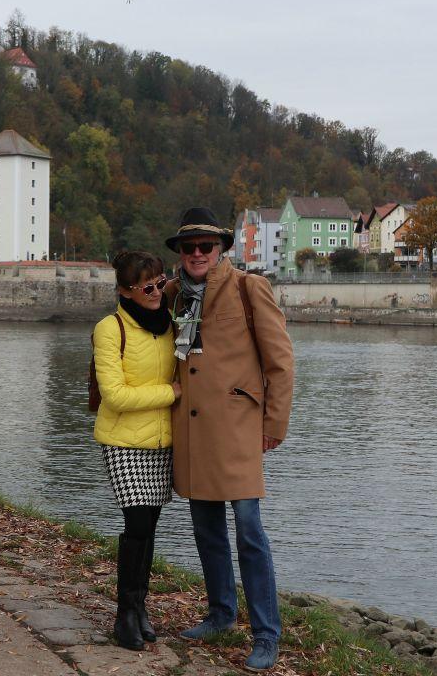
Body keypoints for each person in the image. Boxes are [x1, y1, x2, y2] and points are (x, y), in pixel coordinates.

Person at [164, 207, 294, 672]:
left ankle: (266, 633)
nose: (197, 254)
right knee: (206, 530)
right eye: (189, 247)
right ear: (180, 252)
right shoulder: (172, 294)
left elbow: (280, 360)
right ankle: (220, 614)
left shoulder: (247, 287)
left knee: (249, 531)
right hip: (192, 429)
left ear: (220, 249)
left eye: (206, 246)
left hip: (239, 428)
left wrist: (274, 424)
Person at [93, 250, 182, 651]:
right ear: (125, 291)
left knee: (150, 527)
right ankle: (125, 613)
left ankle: (140, 606)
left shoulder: (172, 325)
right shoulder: (110, 329)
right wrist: (171, 393)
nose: (156, 292)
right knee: (138, 525)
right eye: (147, 287)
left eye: (160, 283)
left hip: (162, 441)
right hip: (123, 441)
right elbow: (114, 395)